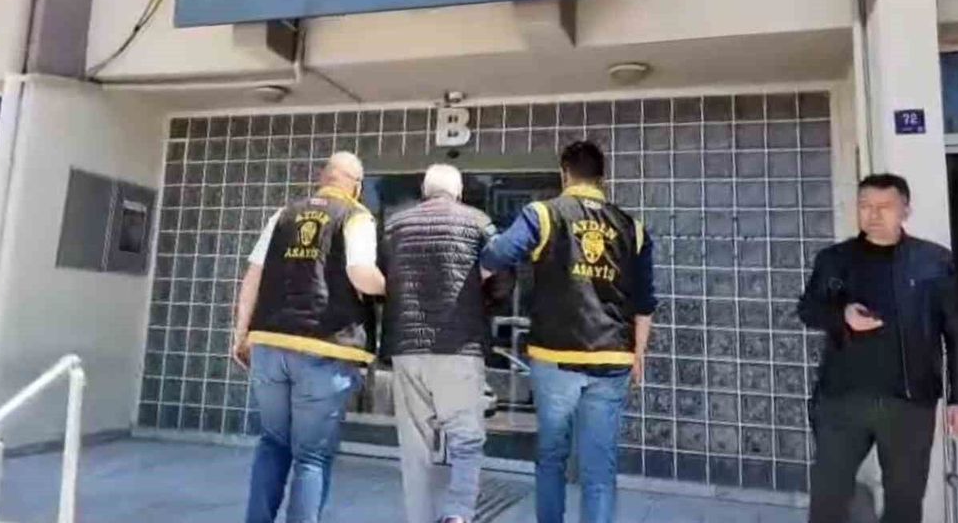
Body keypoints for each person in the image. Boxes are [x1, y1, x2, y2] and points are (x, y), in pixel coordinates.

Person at [480, 141, 656, 523]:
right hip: (612, 358)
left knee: (551, 458)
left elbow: (498, 254)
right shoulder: (634, 229)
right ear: (602, 178)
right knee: (599, 469)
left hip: (555, 357)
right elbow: (645, 302)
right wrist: (638, 355)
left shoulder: (544, 214)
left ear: (565, 174)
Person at [799, 173, 958, 523]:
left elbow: (957, 331)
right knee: (828, 498)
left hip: (908, 403)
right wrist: (842, 315)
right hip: (843, 401)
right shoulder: (835, 259)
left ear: (905, 210)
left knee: (904, 503)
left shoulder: (932, 261)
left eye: (884, 206)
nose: (873, 214)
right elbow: (808, 309)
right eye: (865, 206)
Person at [231, 151, 386, 523]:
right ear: (356, 186)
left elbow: (252, 277)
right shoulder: (355, 215)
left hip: (269, 344)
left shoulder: (282, 215)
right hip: (324, 347)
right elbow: (361, 273)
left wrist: (241, 335)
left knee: (272, 443)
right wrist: (392, 287)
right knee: (311, 456)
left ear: (323, 178)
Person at [381, 164, 498, 523]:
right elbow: (502, 276)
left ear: (424, 190)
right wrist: (483, 303)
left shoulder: (395, 226)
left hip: (406, 346)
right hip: (459, 345)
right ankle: (458, 514)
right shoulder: (478, 222)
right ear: (458, 191)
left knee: (414, 446)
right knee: (466, 441)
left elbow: (381, 279)